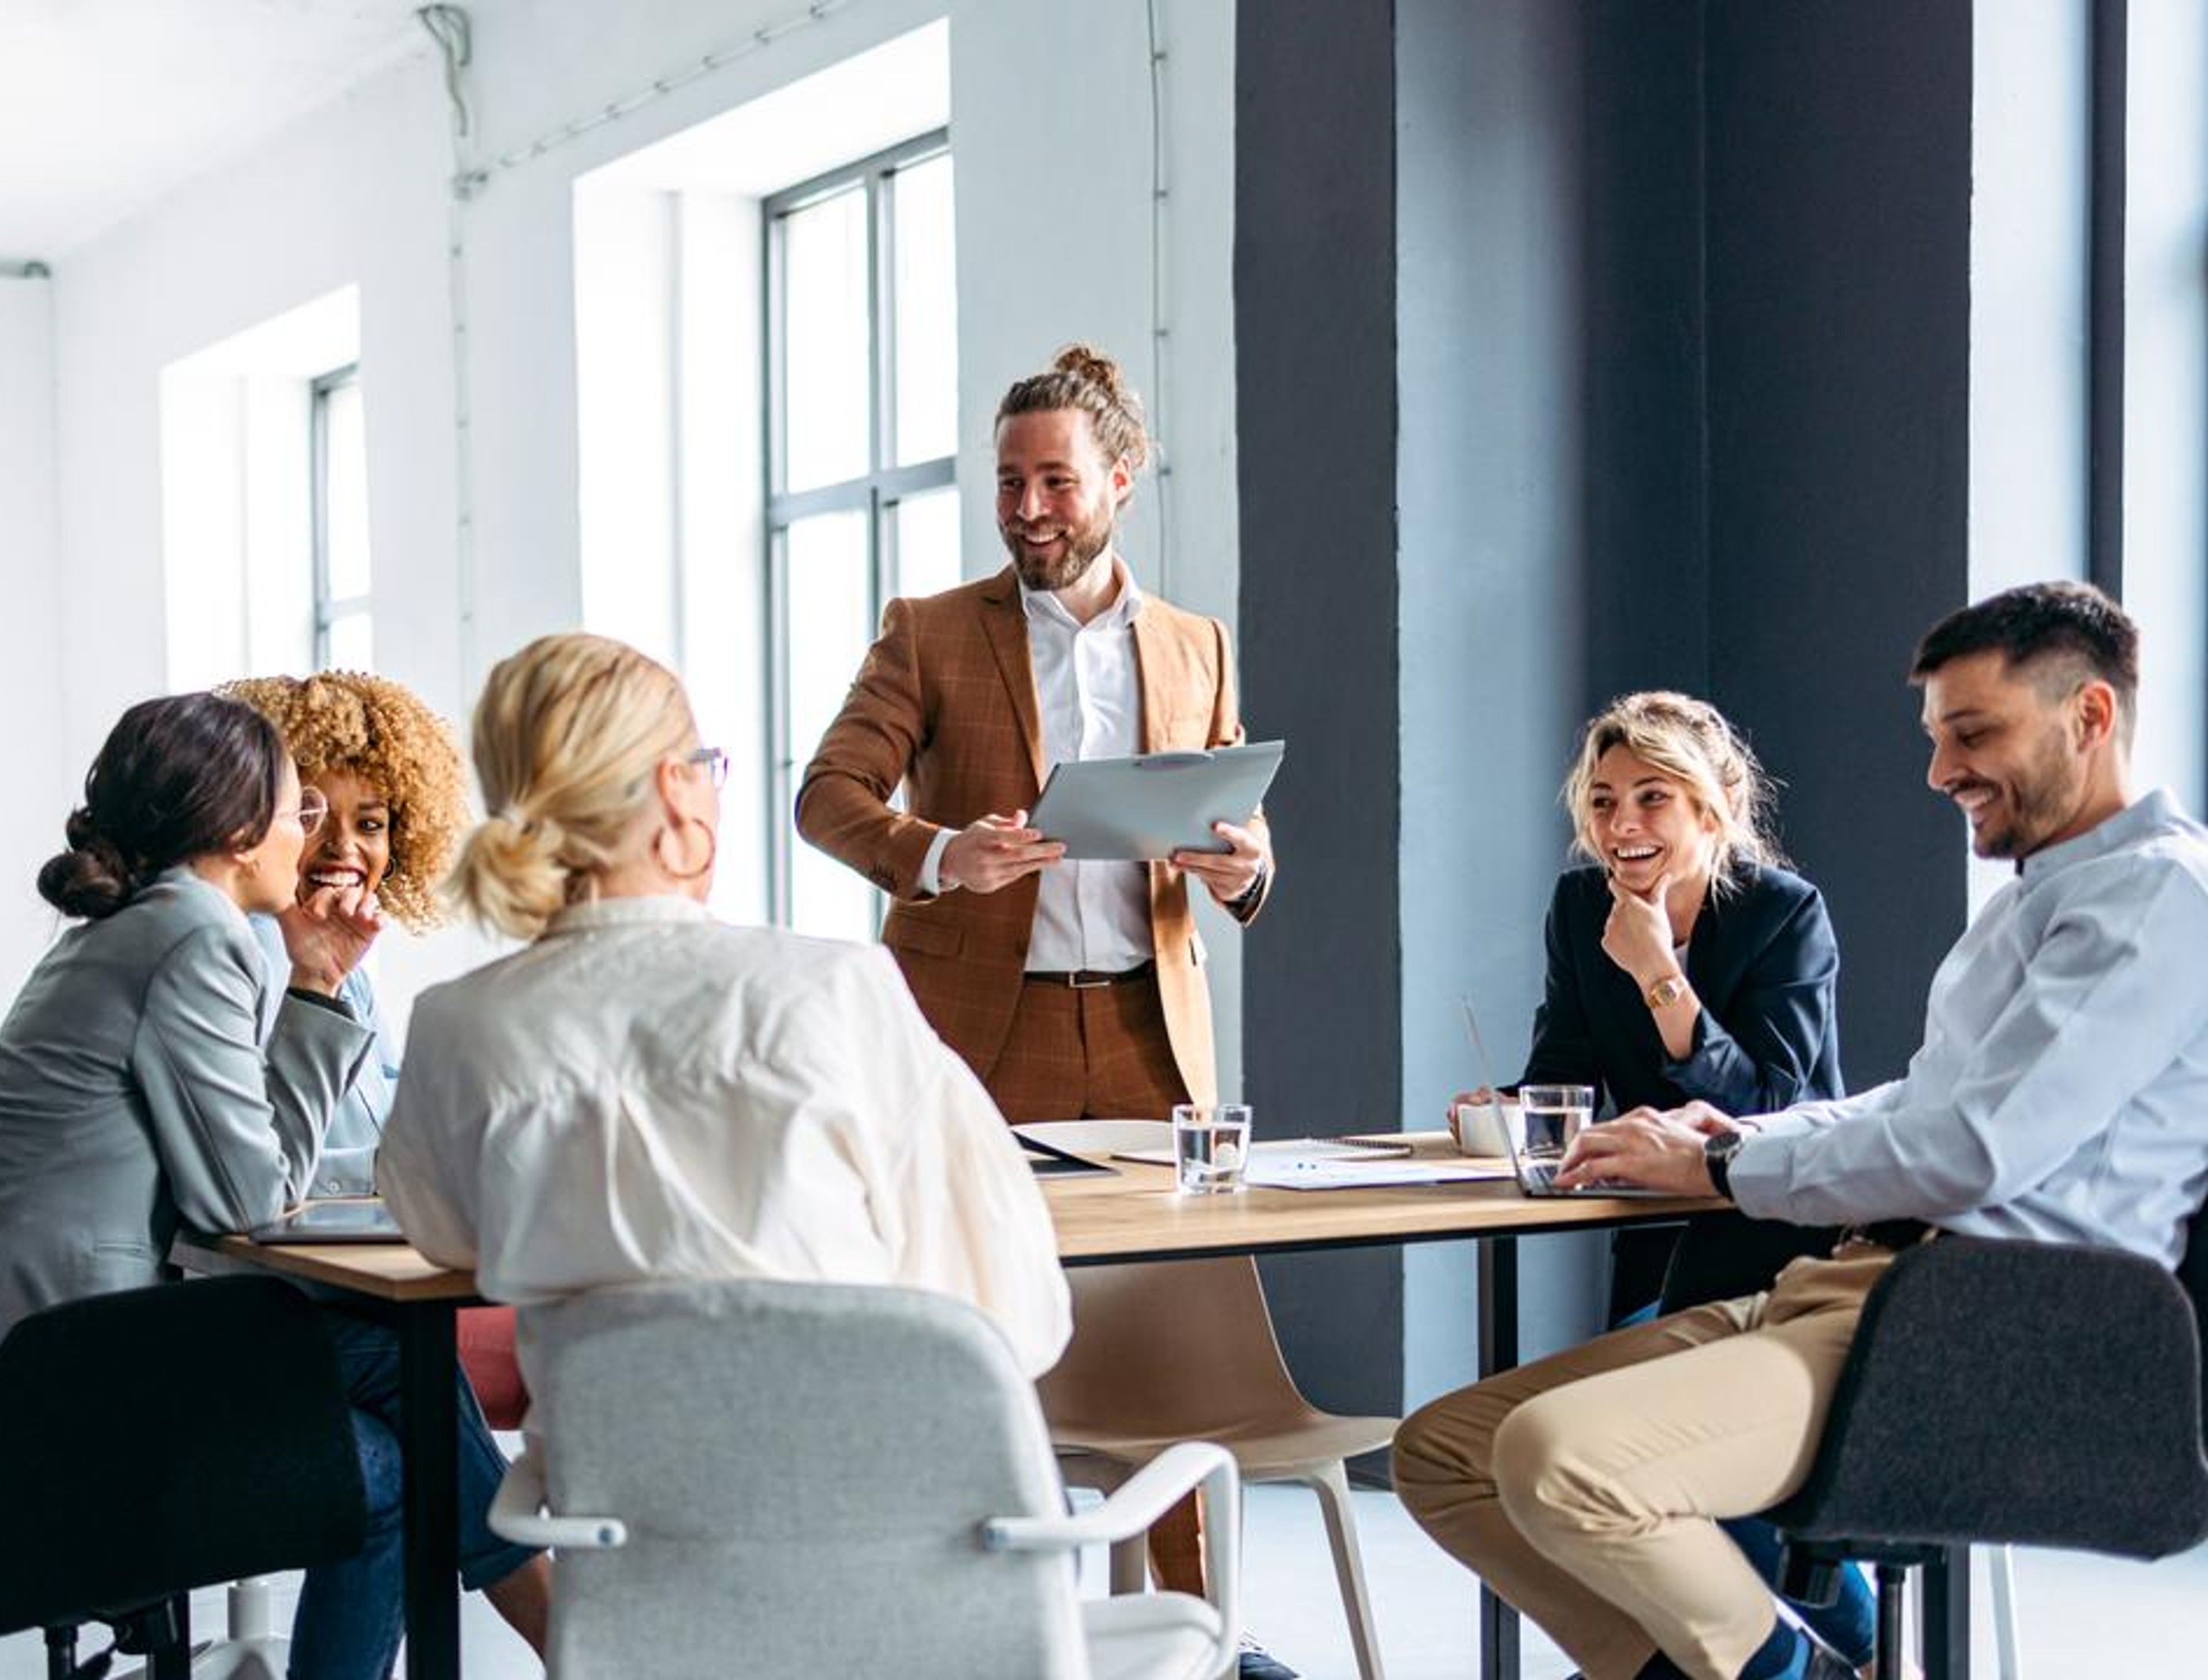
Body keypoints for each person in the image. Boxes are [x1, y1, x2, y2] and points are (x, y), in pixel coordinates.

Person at [1392, 581, 2208, 1680]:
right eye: (1934, 738)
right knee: (1445, 1453)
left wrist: (1726, 1162)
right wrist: (1739, 1134)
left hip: (1986, 1326)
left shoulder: (2158, 898)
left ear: (2091, 716)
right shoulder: (2038, 899)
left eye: (1973, 733)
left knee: (1554, 1459)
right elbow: (1918, 1101)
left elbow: (1971, 1149)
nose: (1940, 772)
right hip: (1864, 1286)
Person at [0, 692, 544, 1680]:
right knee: (401, 1432)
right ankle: (555, 1618)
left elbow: (236, 1176)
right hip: (27, 1413)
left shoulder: (133, 927)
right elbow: (247, 1200)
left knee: (391, 1385)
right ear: (239, 831)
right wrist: (314, 995)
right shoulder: (198, 934)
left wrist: (317, 983)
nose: (310, 833)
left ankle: (549, 1615)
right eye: (298, 809)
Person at [796, 343, 1278, 1671]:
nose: (1026, 510)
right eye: (1009, 484)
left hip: (1144, 1033)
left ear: (1121, 478)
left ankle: (1201, 1635)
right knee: (972, 1329)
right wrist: (943, 852)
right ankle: (982, 1623)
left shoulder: (1194, 641)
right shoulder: (931, 630)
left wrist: (1246, 863)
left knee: (1171, 1342)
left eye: (1054, 481)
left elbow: (1239, 827)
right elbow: (826, 794)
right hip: (970, 1041)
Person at [377, 631, 1073, 1507]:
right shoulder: (836, 988)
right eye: (706, 763)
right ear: (677, 790)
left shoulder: (459, 1026)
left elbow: (450, 1239)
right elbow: (1008, 1303)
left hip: (633, 1580)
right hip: (896, 1551)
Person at [1447, 690, 1872, 1663]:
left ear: (1713, 808)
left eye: (1652, 799)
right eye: (1602, 803)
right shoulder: (1578, 906)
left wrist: (1659, 976)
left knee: (1682, 1460)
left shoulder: (1782, 916)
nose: (1621, 827)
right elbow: (1564, 1071)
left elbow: (1764, 1105)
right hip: (1657, 1249)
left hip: (1785, 1248)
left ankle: (1869, 1645)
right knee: (1616, 1448)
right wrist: (1503, 1108)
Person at [219, 671, 470, 1196]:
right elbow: (259, 1167)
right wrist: (392, 1171)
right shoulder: (240, 952)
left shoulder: (344, 964)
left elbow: (392, 1108)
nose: (344, 847)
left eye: (370, 825)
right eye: (313, 819)